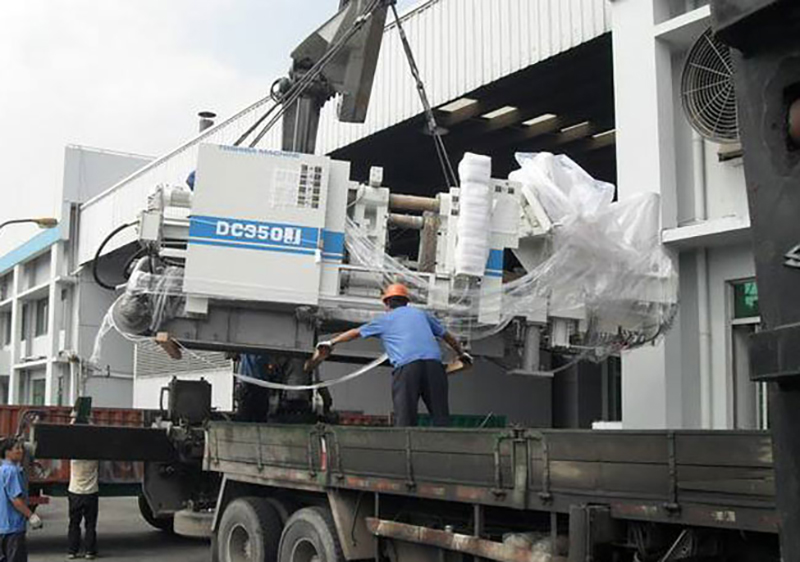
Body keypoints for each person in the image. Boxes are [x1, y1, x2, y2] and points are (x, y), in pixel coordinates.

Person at [317, 283, 471, 427]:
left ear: (387, 303)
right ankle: (446, 443)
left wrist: (331, 342)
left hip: (408, 368)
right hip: (434, 367)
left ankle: (405, 445)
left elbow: (355, 333)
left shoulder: (385, 319)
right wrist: (461, 353)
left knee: (405, 417)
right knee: (440, 415)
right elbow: (447, 336)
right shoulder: (422, 314)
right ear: (406, 302)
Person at [0, 438, 42, 562]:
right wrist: (31, 515)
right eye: (17, 448)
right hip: (13, 527)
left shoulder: (2, 470)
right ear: (7, 452)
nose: (21, 451)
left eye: (21, 448)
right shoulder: (12, 472)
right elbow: (16, 500)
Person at [67, 413, 99, 560]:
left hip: (75, 492)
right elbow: (95, 435)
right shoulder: (94, 457)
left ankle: (72, 551)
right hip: (91, 493)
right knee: (90, 524)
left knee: (74, 523)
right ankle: (89, 552)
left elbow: (69, 434)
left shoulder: (74, 457)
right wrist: (90, 420)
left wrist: (73, 419)